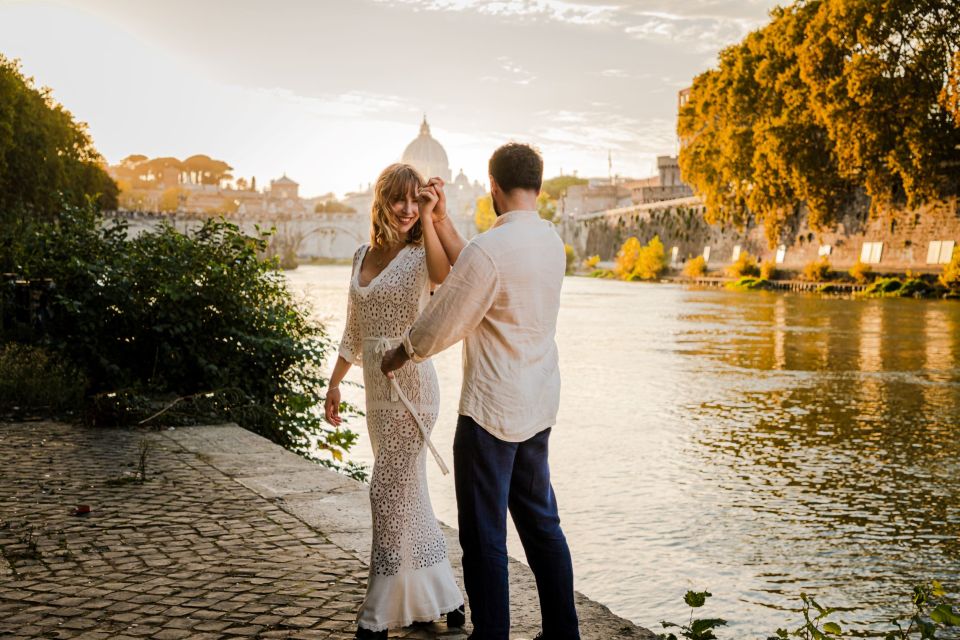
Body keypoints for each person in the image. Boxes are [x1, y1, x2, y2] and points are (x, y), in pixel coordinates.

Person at [381, 143, 580, 640]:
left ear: (492, 186)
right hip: (536, 407)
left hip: (489, 414)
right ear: (537, 184)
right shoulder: (550, 242)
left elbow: (445, 316)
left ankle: (491, 635)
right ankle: (563, 633)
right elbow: (477, 268)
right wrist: (442, 221)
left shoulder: (492, 251)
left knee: (484, 536)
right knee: (543, 528)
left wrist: (400, 353)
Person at [325, 163, 466, 640]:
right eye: (399, 200)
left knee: (384, 490)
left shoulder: (417, 254)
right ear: (381, 200)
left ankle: (376, 615)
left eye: (415, 200)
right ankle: (444, 597)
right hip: (375, 393)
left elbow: (445, 273)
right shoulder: (360, 255)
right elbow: (353, 330)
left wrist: (431, 216)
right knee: (411, 496)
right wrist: (335, 382)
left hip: (413, 390)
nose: (407, 209)